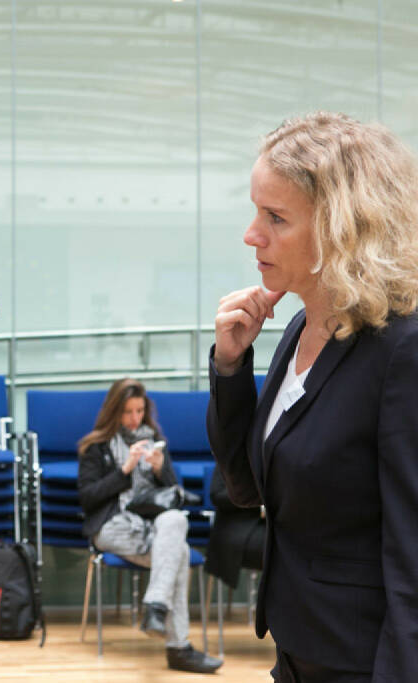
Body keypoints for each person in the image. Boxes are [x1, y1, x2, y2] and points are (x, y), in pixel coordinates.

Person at [208, 111, 418, 681]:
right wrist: (231, 368)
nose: (252, 234)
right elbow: (247, 486)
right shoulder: (300, 328)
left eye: (275, 217)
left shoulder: (402, 348)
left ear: (344, 227)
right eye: (256, 212)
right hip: (298, 647)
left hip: (364, 660)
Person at [77, 378, 222, 674]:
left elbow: (172, 495)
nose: (135, 419)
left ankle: (155, 607)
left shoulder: (154, 438)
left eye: (140, 411)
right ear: (114, 412)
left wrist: (159, 469)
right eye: (128, 412)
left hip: (153, 526)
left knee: (175, 520)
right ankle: (178, 648)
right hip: (113, 526)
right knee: (178, 552)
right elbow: (89, 499)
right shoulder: (96, 447)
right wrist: (125, 470)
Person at [203, 464, 264, 595]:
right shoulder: (230, 452)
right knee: (279, 549)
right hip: (235, 525)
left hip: (272, 526)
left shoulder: (279, 452)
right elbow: (217, 495)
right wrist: (258, 498)